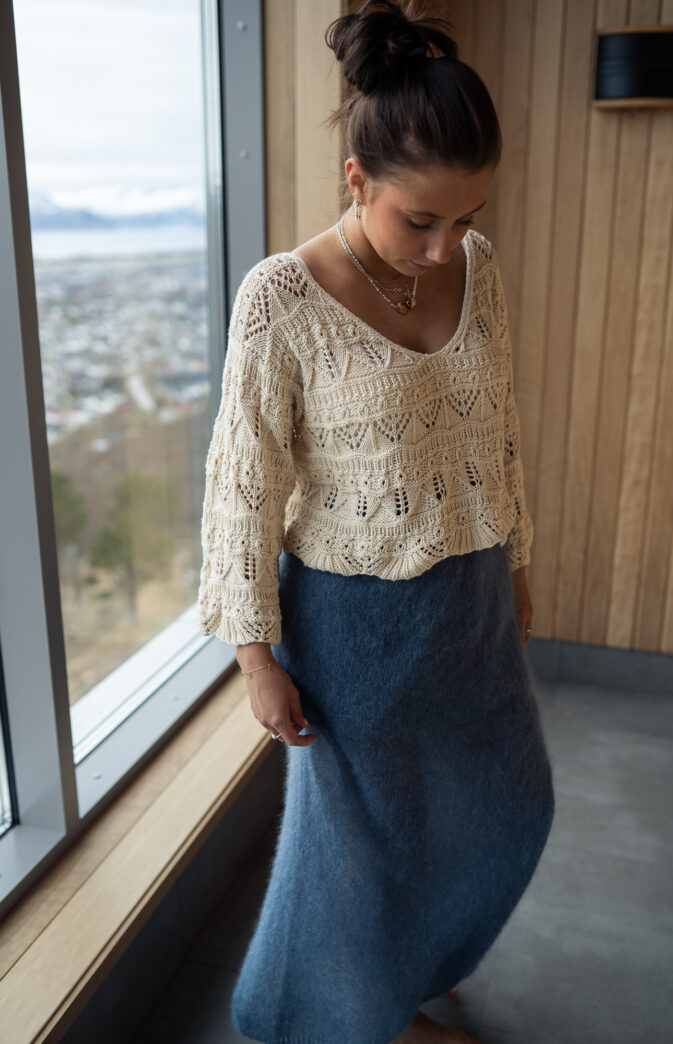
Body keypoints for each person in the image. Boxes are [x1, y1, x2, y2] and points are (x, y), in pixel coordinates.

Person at [196, 1, 555, 1040]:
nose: (444, 248)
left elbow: (495, 428)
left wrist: (514, 561)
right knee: (364, 849)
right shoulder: (280, 299)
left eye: (465, 218)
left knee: (509, 803)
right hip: (352, 627)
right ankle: (361, 1017)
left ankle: (409, 964)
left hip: (470, 598)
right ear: (356, 180)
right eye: (419, 220)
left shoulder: (476, 268)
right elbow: (241, 487)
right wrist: (255, 658)